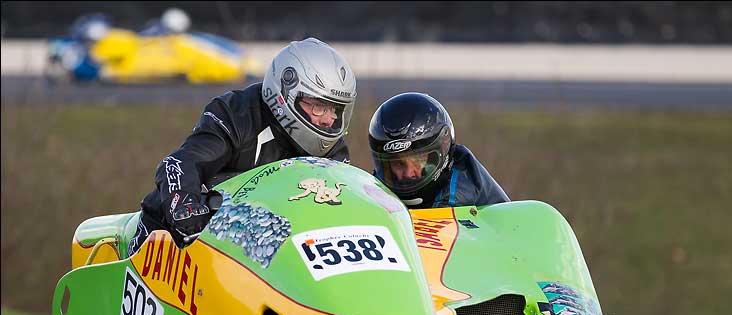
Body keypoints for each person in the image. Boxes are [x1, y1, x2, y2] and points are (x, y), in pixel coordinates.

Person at [128, 37, 356, 255]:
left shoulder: (332, 147)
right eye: (319, 106)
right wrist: (186, 207)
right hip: (175, 244)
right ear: (285, 93)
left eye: (335, 109)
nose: (328, 120)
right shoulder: (237, 115)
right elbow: (179, 164)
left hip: (267, 249)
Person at [368, 92, 509, 208]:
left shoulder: (464, 192)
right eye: (398, 164)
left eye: (418, 160)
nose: (409, 173)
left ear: (443, 149)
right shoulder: (373, 189)